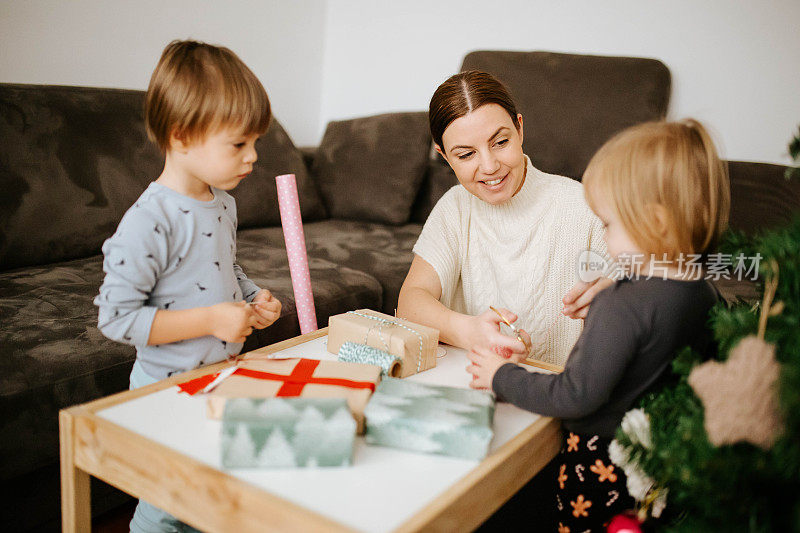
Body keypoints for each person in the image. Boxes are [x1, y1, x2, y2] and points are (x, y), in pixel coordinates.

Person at [467, 119, 730, 531]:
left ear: (657, 223)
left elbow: (575, 395)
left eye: (608, 223)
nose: (603, 237)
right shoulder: (704, 290)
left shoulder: (621, 305)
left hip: (603, 467)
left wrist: (502, 376)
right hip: (664, 463)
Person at [94, 39, 281, 533]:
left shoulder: (223, 204)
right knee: (166, 505)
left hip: (218, 379)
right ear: (181, 137)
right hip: (165, 393)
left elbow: (225, 268)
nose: (253, 156)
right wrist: (212, 319)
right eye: (239, 144)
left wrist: (251, 298)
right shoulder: (148, 222)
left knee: (211, 495)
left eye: (255, 142)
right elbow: (116, 319)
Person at [398, 70, 610, 367]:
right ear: (444, 156)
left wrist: (615, 297)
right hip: (475, 379)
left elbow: (642, 298)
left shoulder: (585, 206)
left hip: (557, 390)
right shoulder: (455, 207)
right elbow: (410, 302)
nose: (489, 166)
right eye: (466, 154)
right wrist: (468, 332)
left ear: (519, 129)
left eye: (500, 142)